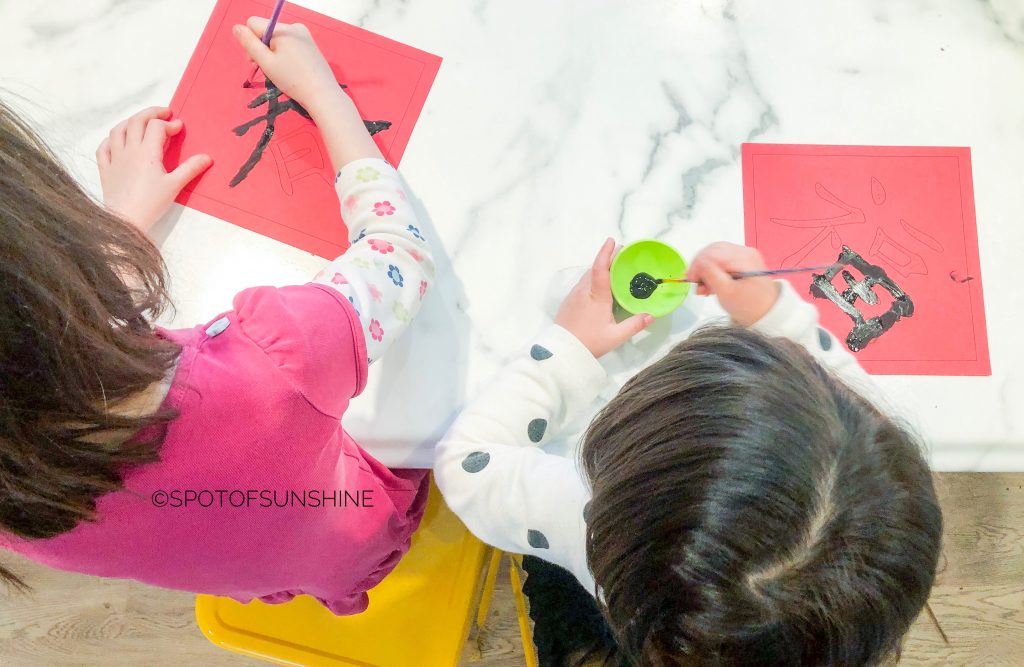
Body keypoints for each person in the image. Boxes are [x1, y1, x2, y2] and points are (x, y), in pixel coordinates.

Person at [0, 18, 435, 616]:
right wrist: (325, 96)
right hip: (357, 536)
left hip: (268, 565)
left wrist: (121, 230)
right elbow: (399, 252)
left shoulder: (12, 501)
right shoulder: (273, 358)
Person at [435, 239, 942, 665]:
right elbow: (853, 403)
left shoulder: (585, 511)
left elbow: (466, 460)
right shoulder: (884, 523)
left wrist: (568, 347)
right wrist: (778, 316)